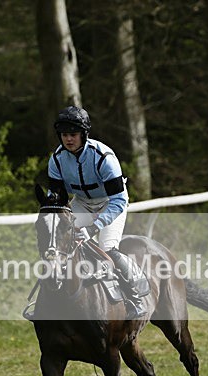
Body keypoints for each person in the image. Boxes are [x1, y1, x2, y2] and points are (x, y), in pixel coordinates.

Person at [46, 105, 146, 319]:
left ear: (83, 134)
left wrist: (94, 227)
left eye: (73, 134)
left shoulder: (103, 157)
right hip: (82, 202)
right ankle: (56, 299)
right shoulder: (56, 159)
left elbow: (119, 200)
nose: (68, 140)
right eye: (64, 135)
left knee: (108, 248)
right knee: (59, 246)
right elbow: (55, 197)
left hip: (111, 203)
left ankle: (135, 296)